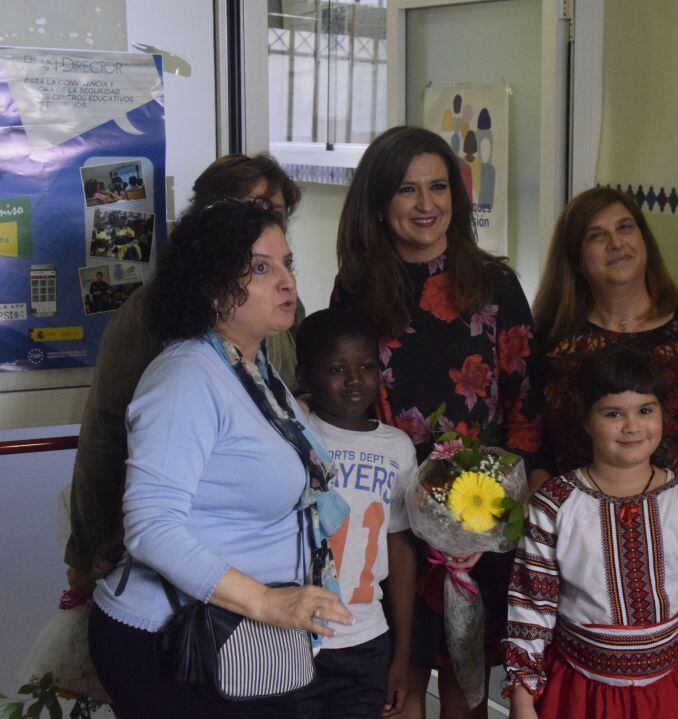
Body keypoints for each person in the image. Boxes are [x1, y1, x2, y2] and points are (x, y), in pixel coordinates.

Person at [87, 200, 353, 718]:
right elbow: (150, 526)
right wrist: (268, 602)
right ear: (212, 287)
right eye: (260, 267)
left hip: (239, 634)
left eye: (287, 264)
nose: (286, 282)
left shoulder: (252, 368)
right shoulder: (186, 376)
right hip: (171, 640)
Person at [331, 125, 542, 719]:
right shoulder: (356, 288)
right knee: (394, 687)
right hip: (385, 519)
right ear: (378, 202)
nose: (427, 205)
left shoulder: (495, 283)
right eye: (407, 190)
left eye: (439, 187)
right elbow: (341, 407)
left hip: (476, 524)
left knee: (464, 692)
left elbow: (525, 409)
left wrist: (488, 525)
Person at [65, 153, 306, 598]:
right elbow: (105, 433)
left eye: (271, 213)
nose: (256, 222)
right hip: (173, 563)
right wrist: (87, 548)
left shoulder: (280, 312)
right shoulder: (162, 328)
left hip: (250, 548)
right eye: (241, 209)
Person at [503, 343, 678, 719]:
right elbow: (530, 607)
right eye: (613, 413)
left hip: (669, 697)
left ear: (662, 415)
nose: (632, 426)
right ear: (587, 420)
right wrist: (523, 703)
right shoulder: (553, 505)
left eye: (646, 410)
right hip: (579, 694)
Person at [532, 186, 678, 546]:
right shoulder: (550, 342)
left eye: (625, 228)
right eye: (597, 235)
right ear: (575, 257)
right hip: (580, 539)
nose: (615, 242)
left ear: (644, 240)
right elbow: (532, 438)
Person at [292, 308, 418, 719]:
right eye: (335, 368)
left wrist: (401, 656)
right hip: (293, 637)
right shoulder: (295, 430)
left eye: (366, 366)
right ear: (305, 375)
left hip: (366, 639)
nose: (353, 381)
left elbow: (398, 549)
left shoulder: (396, 447)